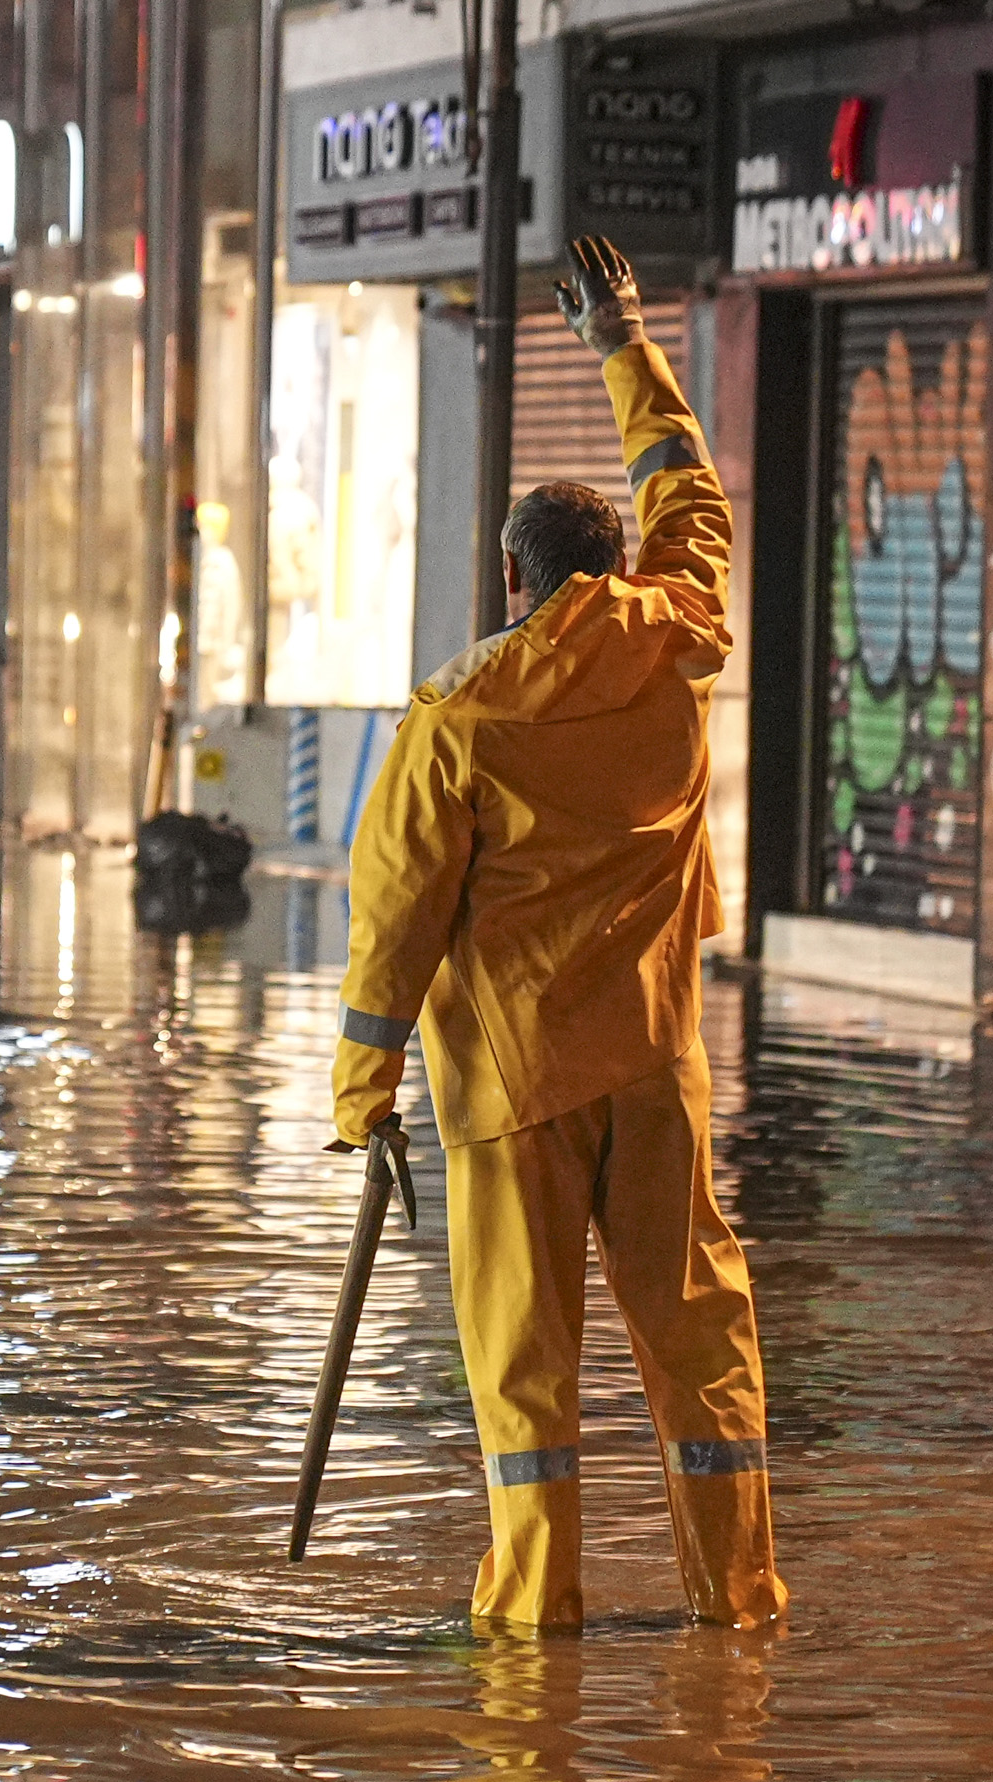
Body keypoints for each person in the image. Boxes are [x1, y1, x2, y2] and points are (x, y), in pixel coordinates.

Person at [333, 236, 783, 1636]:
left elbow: (395, 915)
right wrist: (622, 340)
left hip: (512, 1088)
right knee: (699, 1344)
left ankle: (535, 1623)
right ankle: (739, 1602)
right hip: (656, 1072)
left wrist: (361, 1097)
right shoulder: (679, 637)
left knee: (522, 1373)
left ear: (511, 576)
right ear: (614, 561)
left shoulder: (458, 716)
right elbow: (692, 494)